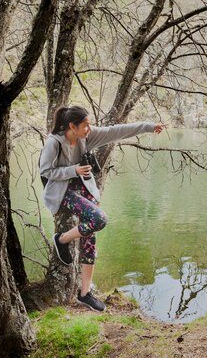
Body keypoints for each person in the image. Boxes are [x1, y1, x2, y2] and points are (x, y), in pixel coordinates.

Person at [39, 105, 167, 312]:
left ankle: (84, 294)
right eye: (86, 125)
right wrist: (73, 170)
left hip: (83, 189)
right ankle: (61, 239)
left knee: (90, 234)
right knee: (99, 219)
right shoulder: (54, 143)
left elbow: (116, 130)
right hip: (63, 193)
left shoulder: (86, 137)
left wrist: (149, 126)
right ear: (72, 126)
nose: (89, 129)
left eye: (90, 125)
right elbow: (45, 171)